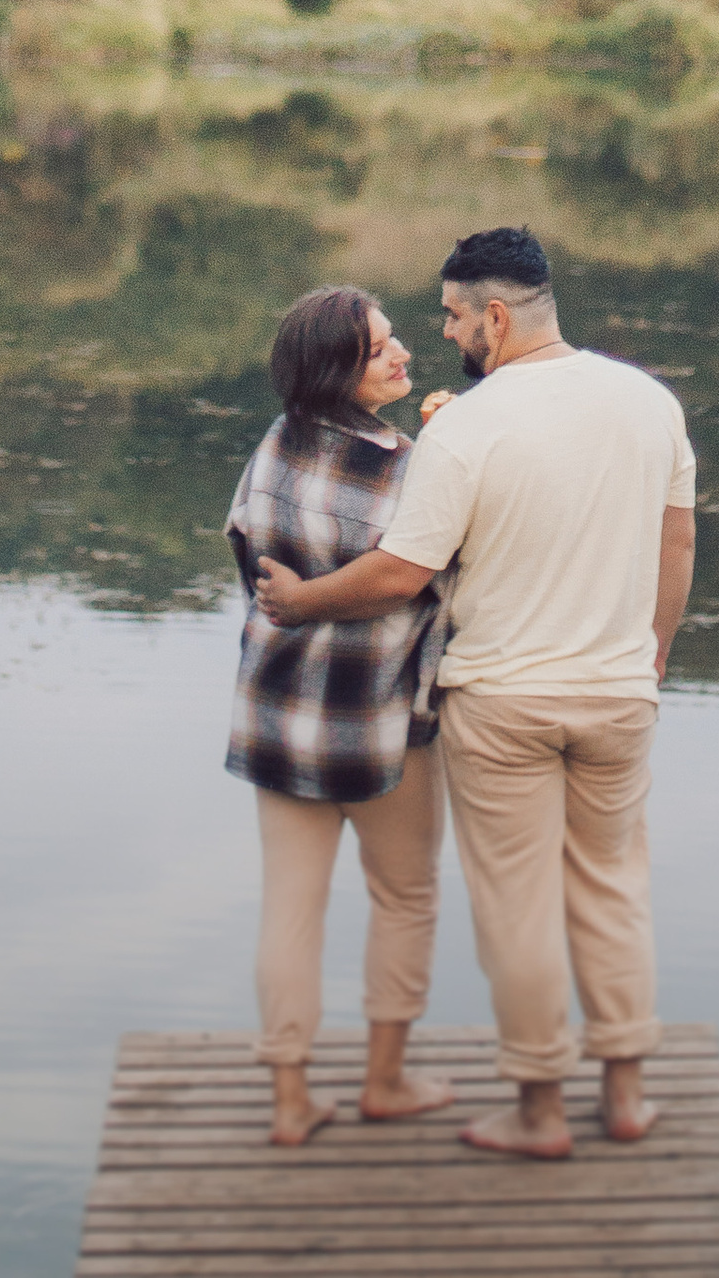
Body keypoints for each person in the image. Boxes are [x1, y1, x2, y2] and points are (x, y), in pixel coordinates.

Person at [255, 223, 696, 1161]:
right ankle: (622, 1095)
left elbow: (398, 574)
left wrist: (298, 602)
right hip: (621, 695)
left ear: (494, 316)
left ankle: (539, 1111)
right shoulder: (650, 402)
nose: (445, 335)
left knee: (520, 908)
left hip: (502, 704)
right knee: (614, 889)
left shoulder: (469, 427)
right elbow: (677, 542)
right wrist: (651, 652)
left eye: (454, 317)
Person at [224, 283, 458, 1146]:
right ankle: (385, 1082)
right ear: (337, 371)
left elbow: (250, 568)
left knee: (290, 905)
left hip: (279, 713)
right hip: (384, 722)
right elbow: (435, 577)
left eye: (396, 337)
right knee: (405, 897)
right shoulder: (413, 467)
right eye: (379, 349)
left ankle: (289, 1099)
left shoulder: (272, 450)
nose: (402, 353)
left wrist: (304, 603)